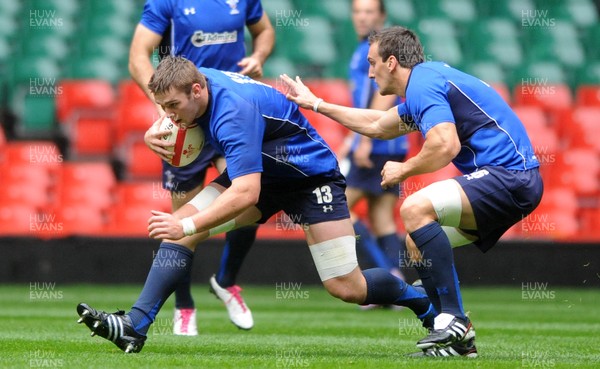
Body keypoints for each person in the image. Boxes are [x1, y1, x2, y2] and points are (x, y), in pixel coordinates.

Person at [75, 56, 435, 354]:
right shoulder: (198, 82)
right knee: (178, 233)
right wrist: (158, 127)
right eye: (164, 107)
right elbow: (230, 164)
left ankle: (424, 302)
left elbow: (246, 193)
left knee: (347, 287)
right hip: (260, 171)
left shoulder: (232, 111)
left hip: (310, 179)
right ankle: (134, 327)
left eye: (172, 107)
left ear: (197, 89)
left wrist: (187, 226)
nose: (169, 114)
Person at [280, 26, 543, 358]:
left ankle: (454, 319)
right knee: (415, 242)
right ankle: (459, 343)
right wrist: (316, 104)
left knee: (414, 208)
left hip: (511, 177)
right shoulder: (425, 84)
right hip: (513, 181)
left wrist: (403, 169)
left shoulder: (422, 84)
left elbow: (446, 144)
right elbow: (377, 125)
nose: (370, 71)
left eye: (373, 62)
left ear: (391, 62)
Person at [129, 0, 275, 335]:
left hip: (229, 114)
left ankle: (226, 281)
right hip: (186, 123)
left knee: (250, 196)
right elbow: (138, 54)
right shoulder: (168, 2)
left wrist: (259, 56)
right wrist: (166, 108)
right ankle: (184, 306)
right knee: (179, 221)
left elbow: (264, 30)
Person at [345, 0, 408, 281]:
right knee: (381, 216)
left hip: (379, 143)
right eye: (357, 11)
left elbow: (389, 93)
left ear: (381, 16)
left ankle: (387, 278)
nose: (362, 17)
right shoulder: (364, 49)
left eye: (369, 11)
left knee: (337, 209)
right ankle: (392, 278)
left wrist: (364, 139)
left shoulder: (380, 49)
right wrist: (352, 138)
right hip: (385, 144)